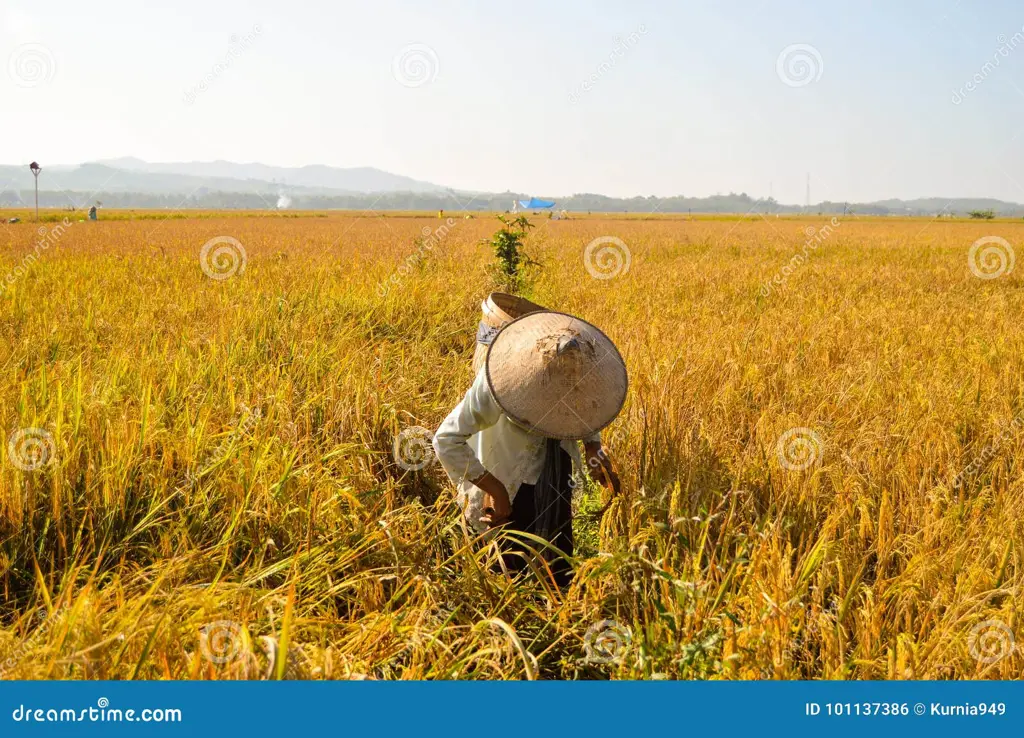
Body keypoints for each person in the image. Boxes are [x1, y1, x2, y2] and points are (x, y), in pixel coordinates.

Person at [433, 311, 626, 587]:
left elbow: (587, 406)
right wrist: (495, 490)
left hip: (555, 473)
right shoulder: (497, 381)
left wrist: (593, 446)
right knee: (509, 569)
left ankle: (557, 612)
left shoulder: (576, 373)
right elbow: (445, 440)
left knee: (555, 562)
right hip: (512, 484)